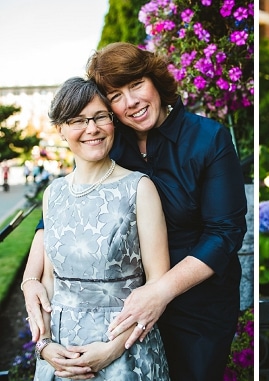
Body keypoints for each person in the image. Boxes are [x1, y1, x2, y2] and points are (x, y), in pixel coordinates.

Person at [22, 42, 248, 380]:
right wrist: (30, 278)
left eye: (137, 84)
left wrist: (161, 290)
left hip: (197, 303)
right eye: (115, 96)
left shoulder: (208, 139)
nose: (131, 103)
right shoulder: (108, 138)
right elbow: (60, 211)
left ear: (155, 79)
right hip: (124, 304)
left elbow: (225, 232)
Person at [32, 77, 170, 379]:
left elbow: (157, 283)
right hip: (61, 353)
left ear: (112, 122)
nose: (91, 128)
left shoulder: (139, 187)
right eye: (77, 120)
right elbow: (49, 283)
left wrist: (112, 349)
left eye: (99, 117)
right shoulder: (52, 194)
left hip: (126, 346)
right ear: (61, 129)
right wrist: (44, 346)